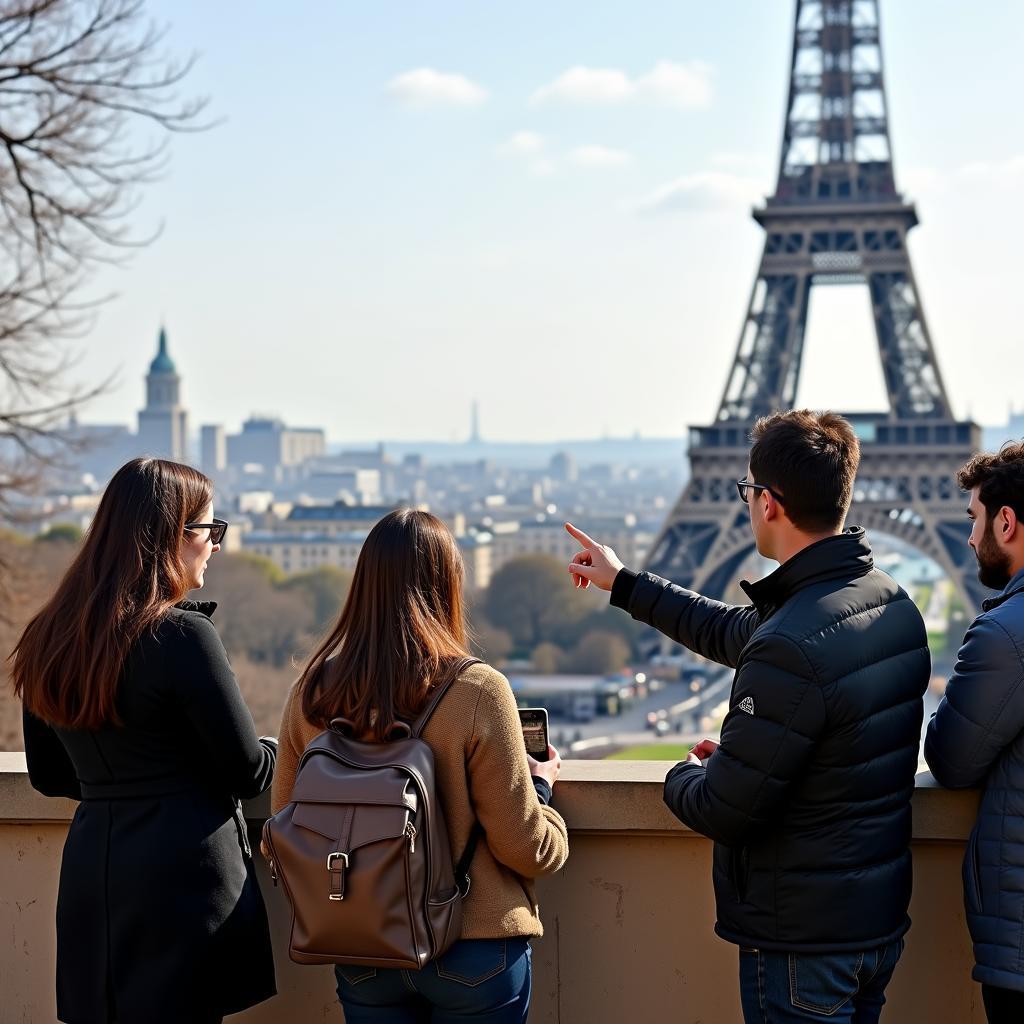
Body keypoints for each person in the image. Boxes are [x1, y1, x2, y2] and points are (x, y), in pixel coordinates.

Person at [566, 410, 930, 1024]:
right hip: (875, 924)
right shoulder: (889, 603)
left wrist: (686, 771)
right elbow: (738, 631)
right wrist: (625, 583)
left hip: (800, 939)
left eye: (749, 492)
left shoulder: (791, 639)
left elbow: (725, 807)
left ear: (769, 503)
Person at [272, 508, 568, 1024]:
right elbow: (524, 848)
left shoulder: (313, 692)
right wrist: (542, 793)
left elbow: (283, 832)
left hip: (361, 941)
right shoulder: (478, 691)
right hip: (473, 944)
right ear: (448, 584)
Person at [11, 457, 277, 1024]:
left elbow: (49, 776)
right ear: (173, 536)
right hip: (182, 886)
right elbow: (248, 771)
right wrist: (279, 748)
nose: (217, 545)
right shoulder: (181, 635)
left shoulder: (48, 635)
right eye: (210, 530)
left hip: (94, 880)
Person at [924, 442, 1024, 1024]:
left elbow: (952, 760)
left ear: (1005, 522)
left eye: (974, 518)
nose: (968, 537)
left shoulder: (1005, 636)